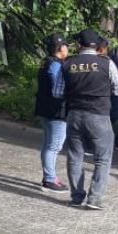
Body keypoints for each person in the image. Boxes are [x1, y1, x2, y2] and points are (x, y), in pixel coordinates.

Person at [63, 29, 118, 210]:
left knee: (75, 156)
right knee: (102, 158)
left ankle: (76, 196)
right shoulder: (106, 63)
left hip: (74, 115)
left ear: (79, 45)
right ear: (96, 45)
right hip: (99, 115)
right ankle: (94, 198)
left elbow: (57, 92)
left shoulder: (68, 63)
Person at [34, 34, 69, 192]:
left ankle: (50, 176)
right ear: (60, 48)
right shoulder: (55, 65)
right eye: (66, 46)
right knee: (54, 146)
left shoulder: (45, 62)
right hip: (55, 111)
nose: (67, 49)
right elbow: (57, 87)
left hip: (45, 108)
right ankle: (49, 179)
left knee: (48, 144)